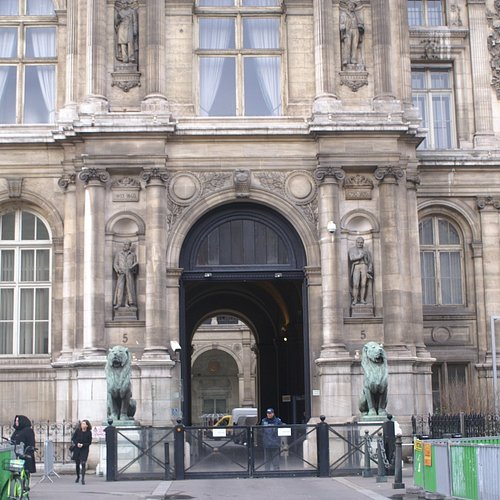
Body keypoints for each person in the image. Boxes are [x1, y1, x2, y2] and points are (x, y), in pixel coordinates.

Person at [113, 241, 138, 309]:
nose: (125, 245)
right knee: (120, 288)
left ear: (129, 246)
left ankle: (127, 303)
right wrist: (118, 270)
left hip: (129, 273)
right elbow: (115, 264)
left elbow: (135, 263)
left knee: (128, 288)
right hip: (121, 273)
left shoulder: (133, 255)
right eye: (124, 244)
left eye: (126, 244)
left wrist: (132, 267)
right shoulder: (119, 254)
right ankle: (118, 303)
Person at [348, 236, 373, 305]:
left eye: (361, 242)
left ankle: (362, 299)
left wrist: (369, 270)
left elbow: (370, 261)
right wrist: (360, 256)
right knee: (355, 284)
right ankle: (355, 300)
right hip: (356, 266)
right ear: (356, 242)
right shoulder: (352, 249)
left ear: (363, 243)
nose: (360, 244)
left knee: (363, 284)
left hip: (364, 266)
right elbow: (351, 258)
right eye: (358, 242)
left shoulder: (366, 250)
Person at [340, 0, 364, 69]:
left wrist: (360, 26)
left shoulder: (356, 15)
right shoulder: (344, 14)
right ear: (348, 6)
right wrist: (343, 27)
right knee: (348, 45)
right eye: (351, 5)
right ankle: (346, 61)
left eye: (353, 6)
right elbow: (342, 24)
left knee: (354, 45)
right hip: (348, 30)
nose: (352, 7)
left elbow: (360, 23)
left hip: (355, 30)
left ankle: (354, 60)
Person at [71, 419, 93, 485]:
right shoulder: (78, 431)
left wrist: (83, 445)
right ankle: (78, 476)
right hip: (77, 449)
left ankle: (83, 479)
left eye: (84, 424)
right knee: (77, 464)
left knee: (83, 463)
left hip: (84, 449)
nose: (82, 425)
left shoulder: (89, 432)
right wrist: (77, 443)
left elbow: (89, 442)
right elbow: (73, 438)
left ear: (87, 425)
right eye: (82, 424)